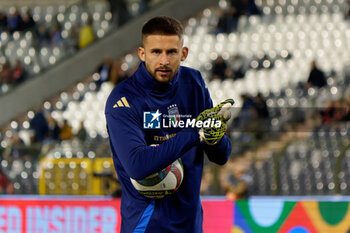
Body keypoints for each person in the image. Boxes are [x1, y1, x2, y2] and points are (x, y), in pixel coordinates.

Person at [105, 16, 232, 233]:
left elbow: (221, 156)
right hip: (147, 225)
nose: (164, 60)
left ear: (183, 53)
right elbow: (138, 165)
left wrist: (215, 133)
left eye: (171, 52)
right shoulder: (123, 99)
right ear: (142, 53)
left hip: (191, 225)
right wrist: (196, 131)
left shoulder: (194, 83)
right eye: (156, 52)